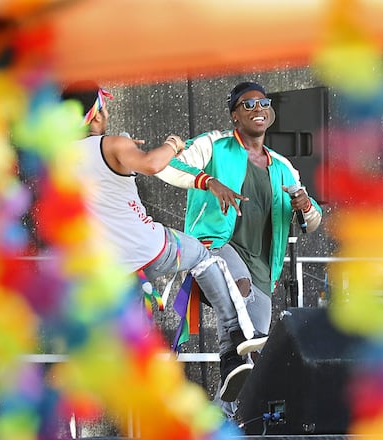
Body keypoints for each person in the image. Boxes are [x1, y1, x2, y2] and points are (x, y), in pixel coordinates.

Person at [62, 80, 267, 403]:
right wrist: (172, 145)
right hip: (150, 247)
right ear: (96, 115)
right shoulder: (112, 144)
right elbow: (153, 164)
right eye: (105, 108)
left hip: (106, 265)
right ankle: (233, 346)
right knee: (204, 257)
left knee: (130, 331)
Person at [156, 81, 323, 403]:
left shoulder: (284, 167)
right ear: (234, 116)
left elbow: (313, 220)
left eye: (263, 103)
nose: (257, 108)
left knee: (252, 361)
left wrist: (305, 205)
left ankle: (227, 413)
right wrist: (210, 181)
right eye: (247, 104)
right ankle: (230, 355)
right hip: (213, 245)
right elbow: (165, 165)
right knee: (238, 285)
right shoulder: (214, 145)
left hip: (262, 268)